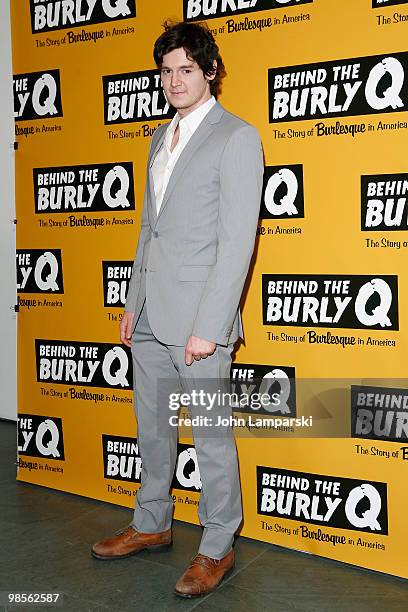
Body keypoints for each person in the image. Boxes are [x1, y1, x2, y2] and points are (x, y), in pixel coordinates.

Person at [92, 20, 264, 598]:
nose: (174, 80)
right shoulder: (157, 140)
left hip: (199, 325)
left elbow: (238, 242)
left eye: (186, 68)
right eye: (166, 71)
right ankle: (152, 524)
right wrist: (131, 303)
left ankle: (218, 546)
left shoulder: (236, 137)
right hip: (149, 316)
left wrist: (210, 329)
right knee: (153, 430)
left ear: (210, 70)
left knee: (211, 436)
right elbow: (150, 232)